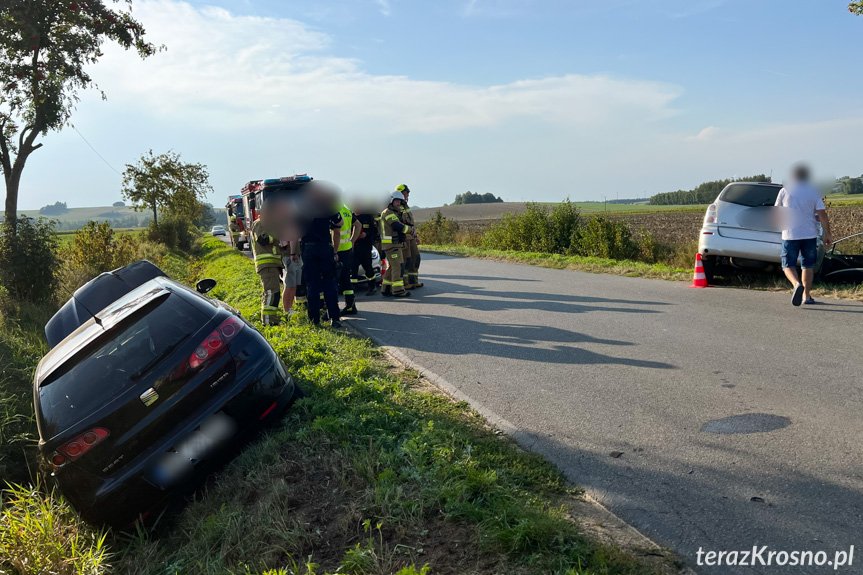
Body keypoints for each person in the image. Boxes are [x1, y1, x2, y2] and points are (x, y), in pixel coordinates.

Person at [774, 163, 832, 306]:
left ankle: (796, 284)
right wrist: (827, 235)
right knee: (808, 265)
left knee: (787, 265)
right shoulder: (813, 191)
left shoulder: (784, 191)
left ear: (793, 176)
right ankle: (806, 296)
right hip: (809, 234)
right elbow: (822, 214)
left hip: (790, 234)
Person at [300, 208, 344, 327]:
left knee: (312, 285)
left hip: (308, 249)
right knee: (329, 283)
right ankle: (335, 319)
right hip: (325, 248)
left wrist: (294, 253)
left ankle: (314, 320)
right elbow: (340, 223)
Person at [250, 216, 284, 325]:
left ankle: (270, 320)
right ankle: (269, 322)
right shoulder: (259, 223)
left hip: (272, 264)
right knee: (271, 293)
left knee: (272, 293)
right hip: (266, 265)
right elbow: (263, 239)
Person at [380, 191, 413, 297]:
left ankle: (386, 289)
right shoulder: (388, 212)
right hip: (391, 245)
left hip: (393, 244)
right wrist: (411, 230)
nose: (399, 203)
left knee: (392, 267)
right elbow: (397, 226)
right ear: (391, 201)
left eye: (400, 201)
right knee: (398, 266)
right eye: (397, 201)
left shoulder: (392, 212)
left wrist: (403, 241)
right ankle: (398, 290)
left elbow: (398, 230)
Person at [336, 203, 363, 316]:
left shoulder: (334, 211)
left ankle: (330, 307)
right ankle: (350, 305)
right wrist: (352, 241)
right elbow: (358, 225)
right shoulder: (346, 210)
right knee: (346, 278)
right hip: (347, 249)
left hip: (336, 250)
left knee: (332, 278)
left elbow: (335, 232)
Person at [396, 184, 423, 289]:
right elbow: (399, 225)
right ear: (401, 193)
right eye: (406, 192)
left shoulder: (406, 206)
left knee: (415, 258)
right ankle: (405, 282)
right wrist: (403, 239)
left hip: (412, 237)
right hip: (405, 237)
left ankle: (413, 280)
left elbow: (410, 223)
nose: (408, 195)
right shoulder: (397, 207)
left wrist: (416, 236)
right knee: (406, 260)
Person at [352, 208, 381, 296]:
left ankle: (372, 286)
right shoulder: (351, 217)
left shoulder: (367, 217)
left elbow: (374, 231)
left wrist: (366, 234)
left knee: (368, 267)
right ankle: (352, 288)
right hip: (354, 246)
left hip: (365, 247)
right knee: (353, 268)